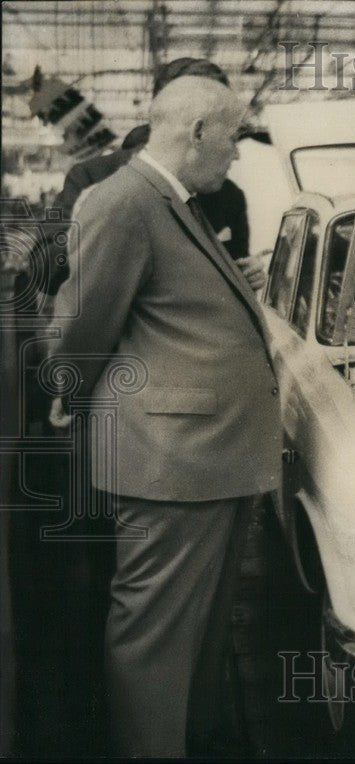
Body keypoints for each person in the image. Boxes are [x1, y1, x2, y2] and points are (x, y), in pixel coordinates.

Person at [47, 75, 281, 756]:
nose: (237, 152)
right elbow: (83, 324)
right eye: (233, 134)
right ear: (200, 131)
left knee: (199, 632)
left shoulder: (169, 201)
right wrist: (69, 391)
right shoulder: (124, 202)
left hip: (207, 459)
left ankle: (191, 738)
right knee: (155, 636)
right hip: (173, 460)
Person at [38, 57, 264, 305]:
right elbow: (43, 271)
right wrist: (83, 230)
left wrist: (246, 278)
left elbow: (232, 289)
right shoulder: (93, 177)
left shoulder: (228, 196)